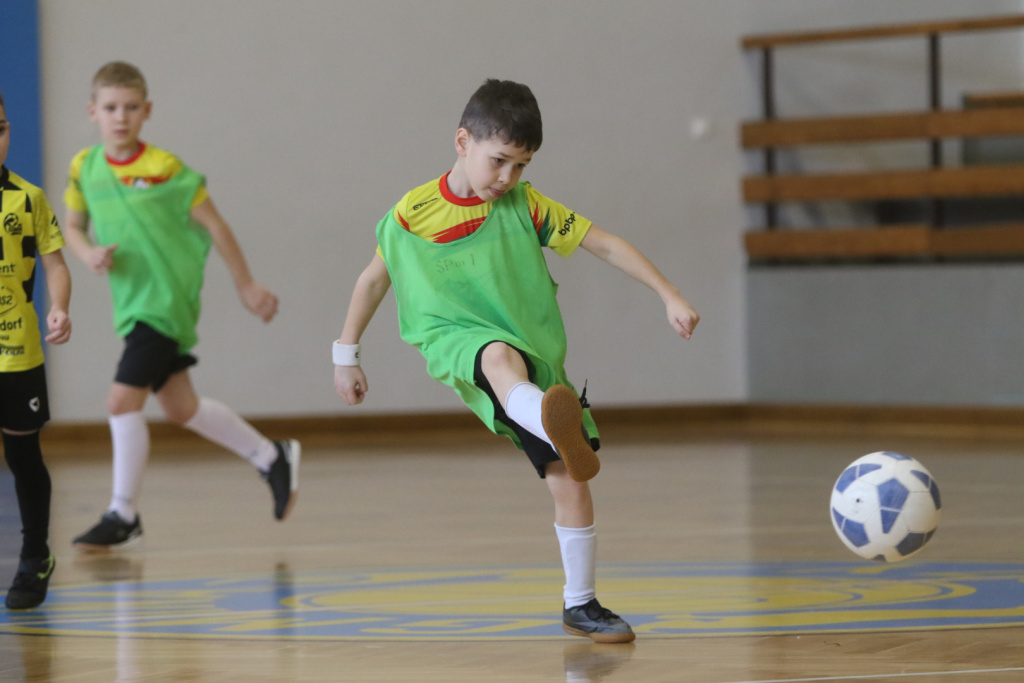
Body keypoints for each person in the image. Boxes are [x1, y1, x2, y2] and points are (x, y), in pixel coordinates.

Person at [332, 79, 699, 642]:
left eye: (521, 165)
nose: (507, 177)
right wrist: (346, 354)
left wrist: (668, 293)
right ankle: (548, 416)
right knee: (497, 357)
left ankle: (581, 604)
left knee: (569, 480)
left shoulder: (527, 206)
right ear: (463, 142)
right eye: (499, 160)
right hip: (454, 338)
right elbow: (373, 280)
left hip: (533, 355)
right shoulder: (411, 214)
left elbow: (602, 242)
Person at [62, 61, 300, 551]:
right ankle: (271, 456)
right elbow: (74, 227)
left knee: (120, 402)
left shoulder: (165, 169)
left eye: (131, 107)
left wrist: (246, 285)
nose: (121, 117)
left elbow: (216, 225)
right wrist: (87, 255)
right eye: (111, 107)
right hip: (131, 305)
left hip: (164, 303)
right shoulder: (83, 166)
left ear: (147, 111)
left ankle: (123, 514)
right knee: (180, 407)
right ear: (92, 112)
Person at [0, 90, 73, 608]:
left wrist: (60, 308)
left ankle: (35, 556)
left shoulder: (28, 199)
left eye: (0, 128)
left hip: (16, 350)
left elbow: (56, 265)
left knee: (23, 455)